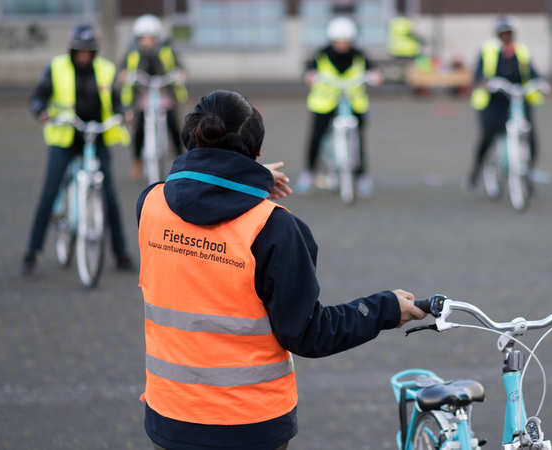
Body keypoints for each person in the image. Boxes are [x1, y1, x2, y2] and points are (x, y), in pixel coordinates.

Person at [136, 90, 426, 450]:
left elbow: (191, 190)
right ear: (256, 152)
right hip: (248, 424)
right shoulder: (274, 229)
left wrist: (242, 182)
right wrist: (385, 309)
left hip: (170, 415)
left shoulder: (150, 204)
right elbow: (309, 333)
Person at [22, 23, 134, 275]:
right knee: (50, 190)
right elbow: (38, 97)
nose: (84, 55)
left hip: (95, 137)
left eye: (89, 51)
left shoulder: (105, 70)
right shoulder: (57, 67)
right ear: (72, 50)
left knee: (109, 194)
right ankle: (32, 252)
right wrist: (42, 111)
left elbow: (117, 101)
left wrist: (125, 113)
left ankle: (121, 254)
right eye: (80, 51)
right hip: (64, 138)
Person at [296, 16, 383, 197]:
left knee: (357, 139)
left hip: (353, 103)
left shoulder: (359, 55)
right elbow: (309, 72)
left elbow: (374, 71)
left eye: (346, 41)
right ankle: (309, 172)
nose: (342, 44)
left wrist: (375, 76)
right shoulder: (322, 53)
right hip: (324, 104)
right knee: (316, 135)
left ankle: (361, 177)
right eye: (338, 41)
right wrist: (310, 76)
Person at [464, 15, 545, 193]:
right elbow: (479, 73)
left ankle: (526, 179)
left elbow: (532, 72)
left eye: (509, 33)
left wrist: (540, 82)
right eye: (503, 33)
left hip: (517, 100)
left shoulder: (521, 51)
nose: (506, 36)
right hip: (494, 101)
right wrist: (483, 82)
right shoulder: (488, 50)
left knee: (530, 138)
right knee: (488, 136)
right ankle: (475, 172)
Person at [120, 13, 188, 180]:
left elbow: (179, 66)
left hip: (164, 94)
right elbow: (123, 68)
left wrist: (180, 74)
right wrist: (124, 75)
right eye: (143, 38)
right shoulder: (133, 53)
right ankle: (137, 160)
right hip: (144, 97)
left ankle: (182, 160)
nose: (147, 42)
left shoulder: (166, 50)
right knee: (139, 129)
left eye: (150, 38)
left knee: (173, 126)